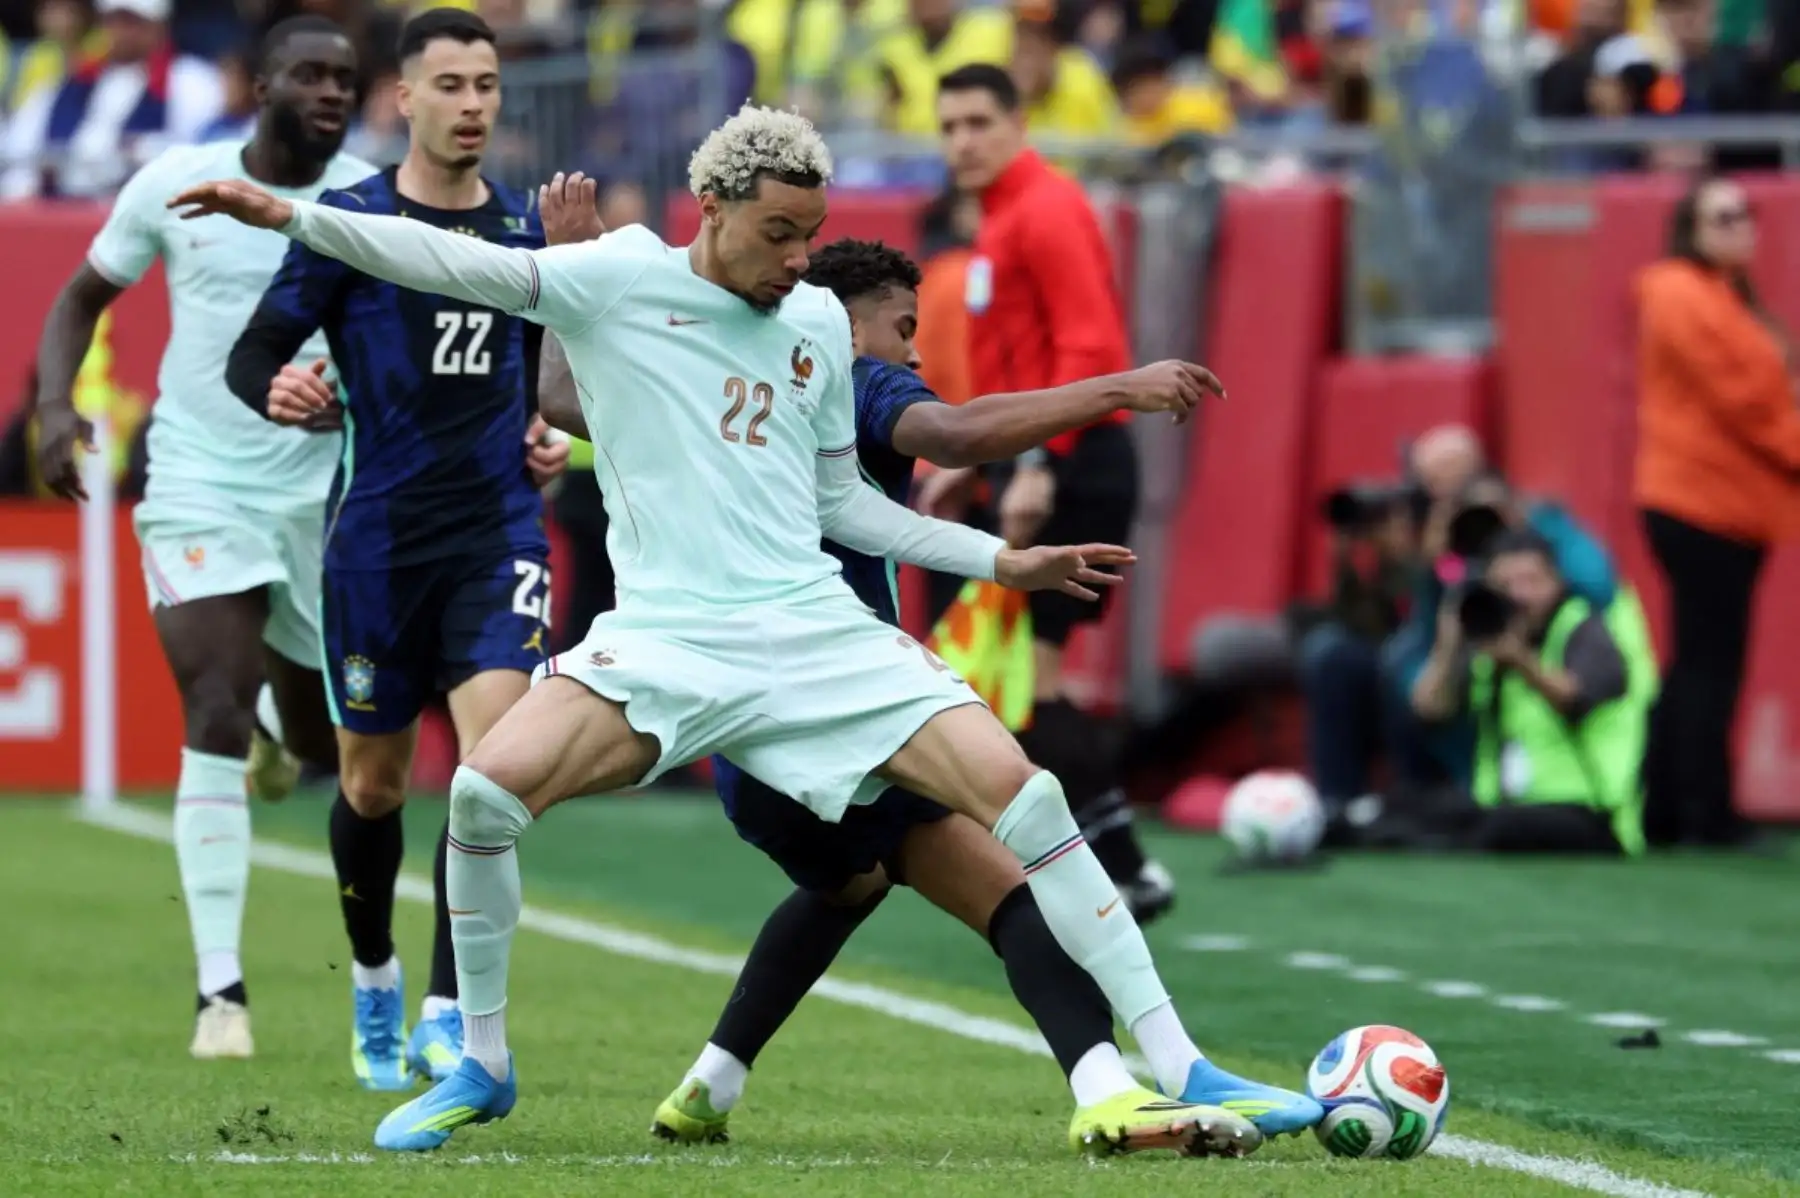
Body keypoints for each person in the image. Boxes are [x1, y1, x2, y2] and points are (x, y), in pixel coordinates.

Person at [168, 104, 1291, 1159]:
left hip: (811, 632)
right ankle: (484, 1060)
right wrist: (294, 217)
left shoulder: (807, 319)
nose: (799, 259)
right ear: (714, 207)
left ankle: (1183, 1066)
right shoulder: (615, 278)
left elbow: (842, 504)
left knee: (1028, 796)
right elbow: (453, 262)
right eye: (778, 233)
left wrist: (1000, 561)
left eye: (811, 235)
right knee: (480, 793)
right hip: (666, 640)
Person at [535, 238, 1312, 1152]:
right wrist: (1116, 390)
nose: (915, 352)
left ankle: (709, 1085)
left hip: (748, 739)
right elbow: (956, 430)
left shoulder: (718, 383)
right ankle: (1119, 1087)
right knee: (1016, 882)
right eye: (907, 327)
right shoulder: (850, 374)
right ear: (847, 320)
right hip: (841, 711)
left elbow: (558, 400)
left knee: (851, 885)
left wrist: (564, 271)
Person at [223, 9, 569, 1092]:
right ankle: (374, 979)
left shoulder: (524, 240)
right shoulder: (349, 221)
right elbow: (255, 355)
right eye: (451, 85)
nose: (474, 104)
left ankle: (446, 1009)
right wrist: (277, 390)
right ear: (403, 101)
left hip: (496, 533)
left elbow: (549, 383)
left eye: (488, 85)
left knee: (493, 777)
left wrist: (552, 429)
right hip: (374, 543)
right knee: (373, 788)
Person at [30, 15, 371, 1060]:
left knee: (326, 750)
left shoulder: (369, 197)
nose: (329, 91)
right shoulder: (176, 181)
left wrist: (350, 404)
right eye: (308, 74)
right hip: (198, 481)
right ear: (259, 84)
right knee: (210, 706)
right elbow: (84, 292)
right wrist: (52, 407)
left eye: (344, 79)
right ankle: (219, 992)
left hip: (325, 492)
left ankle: (284, 729)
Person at [935, 63, 1172, 922]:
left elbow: (1089, 350)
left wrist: (1037, 466)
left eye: (977, 123)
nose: (961, 140)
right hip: (1038, 456)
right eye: (948, 125)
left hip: (1077, 460)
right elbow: (1020, 364)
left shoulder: (1047, 208)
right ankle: (1108, 864)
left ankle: (1122, 867)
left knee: (1033, 682)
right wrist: (976, 458)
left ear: (1017, 123)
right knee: (1025, 683)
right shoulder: (1002, 218)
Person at [1635, 175, 1800, 849]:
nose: (1740, 227)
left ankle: (1674, 806)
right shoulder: (1681, 293)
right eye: (1722, 217)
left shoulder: (1723, 297)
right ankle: (1701, 810)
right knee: (1709, 663)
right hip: (1701, 503)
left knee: (1701, 659)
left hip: (1721, 503)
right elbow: (1748, 402)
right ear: (1689, 228)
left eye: (1744, 216)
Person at [1409, 528, 1654, 854]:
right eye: (1505, 585)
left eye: (1531, 581)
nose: (1519, 595)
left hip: (1591, 811)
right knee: (1420, 807)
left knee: (1496, 829)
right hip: (1508, 804)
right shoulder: (1491, 640)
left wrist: (1520, 659)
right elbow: (1430, 710)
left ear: (1558, 581)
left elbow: (1575, 698)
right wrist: (1449, 639)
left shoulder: (1583, 628)